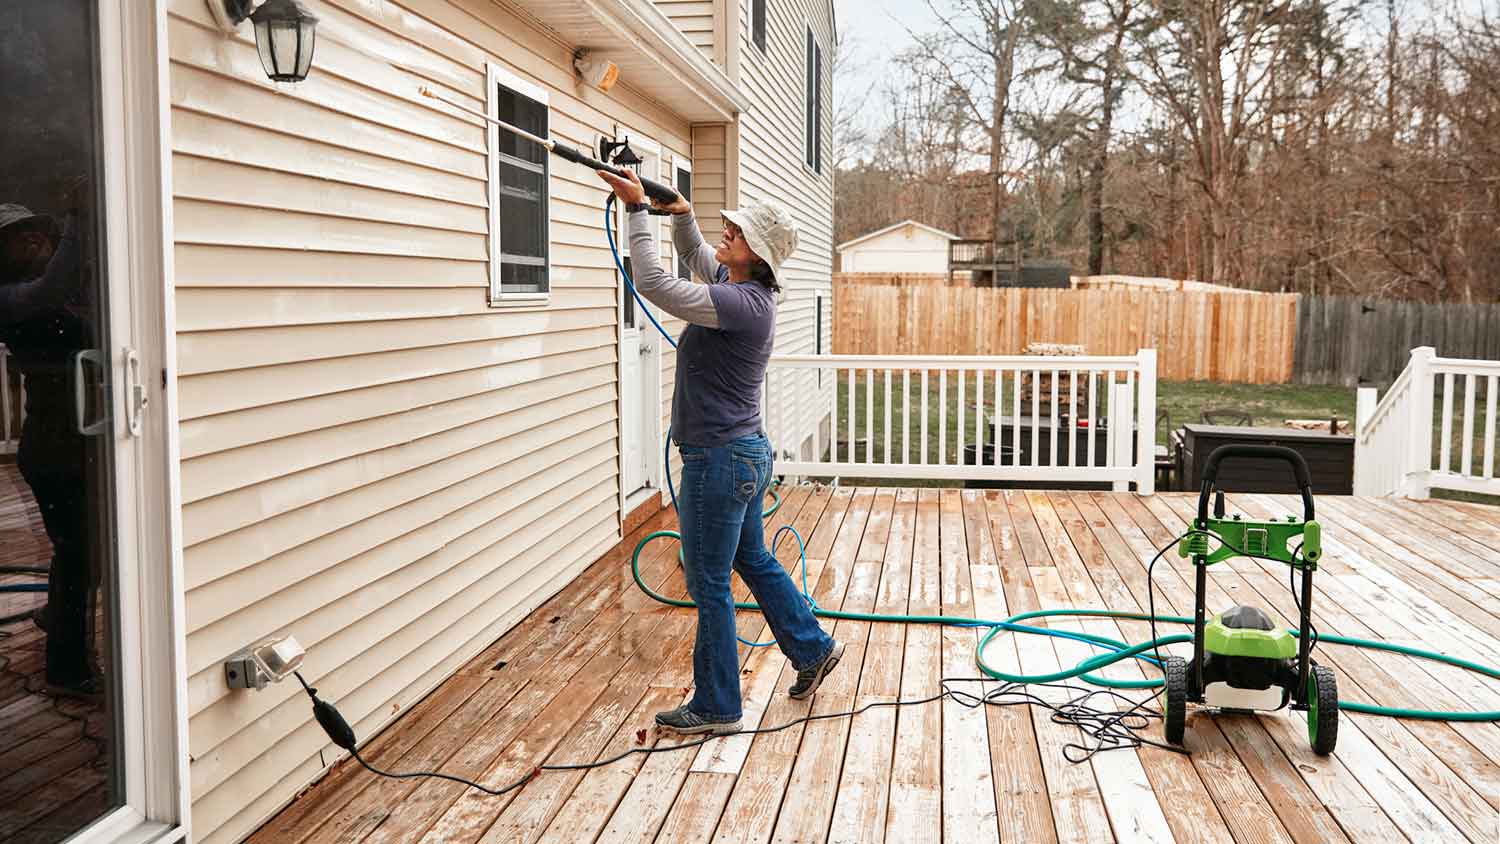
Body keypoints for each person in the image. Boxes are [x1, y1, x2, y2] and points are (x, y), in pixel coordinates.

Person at [595, 168, 843, 735]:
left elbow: (655, 284)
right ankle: (811, 648)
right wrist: (680, 214)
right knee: (751, 558)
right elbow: (697, 259)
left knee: (708, 580)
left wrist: (636, 212)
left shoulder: (741, 305)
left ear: (758, 257)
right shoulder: (741, 292)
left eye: (739, 231)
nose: (727, 230)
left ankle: (716, 704)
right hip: (743, 454)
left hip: (721, 460)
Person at [0, 199, 97, 698]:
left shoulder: (61, 301)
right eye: (20, 235)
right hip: (53, 448)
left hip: (79, 441)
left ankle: (54, 613)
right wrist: (80, 219)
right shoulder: (11, 297)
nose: (34, 237)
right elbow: (52, 284)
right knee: (77, 553)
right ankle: (66, 671)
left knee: (84, 552)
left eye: (38, 230)